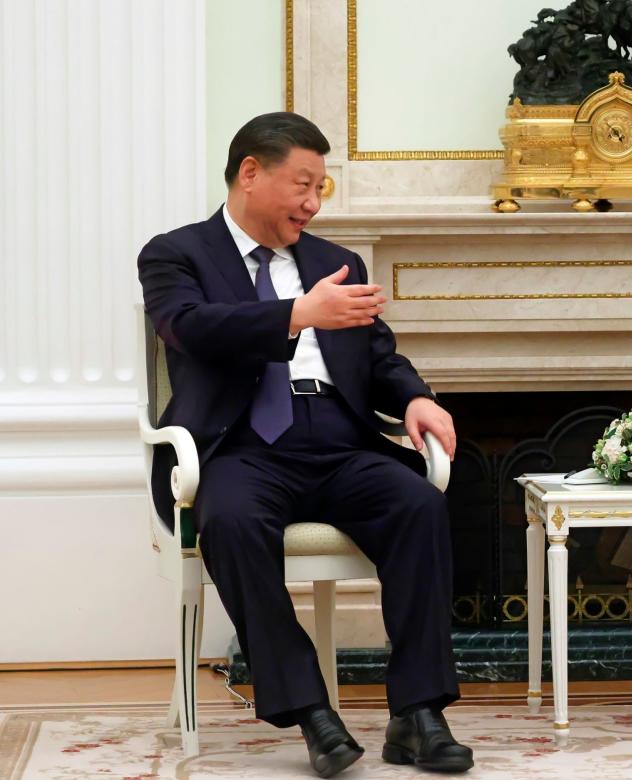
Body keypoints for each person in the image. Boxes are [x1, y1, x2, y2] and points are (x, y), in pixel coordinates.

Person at [138, 112, 472, 777]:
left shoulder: (332, 261)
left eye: (322, 188)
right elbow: (191, 327)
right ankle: (310, 712)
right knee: (230, 523)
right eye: (303, 184)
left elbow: (379, 357)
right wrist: (297, 316)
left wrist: (416, 398)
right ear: (251, 173)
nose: (313, 203)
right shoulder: (177, 253)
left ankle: (418, 713)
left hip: (340, 442)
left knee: (419, 506)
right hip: (237, 448)